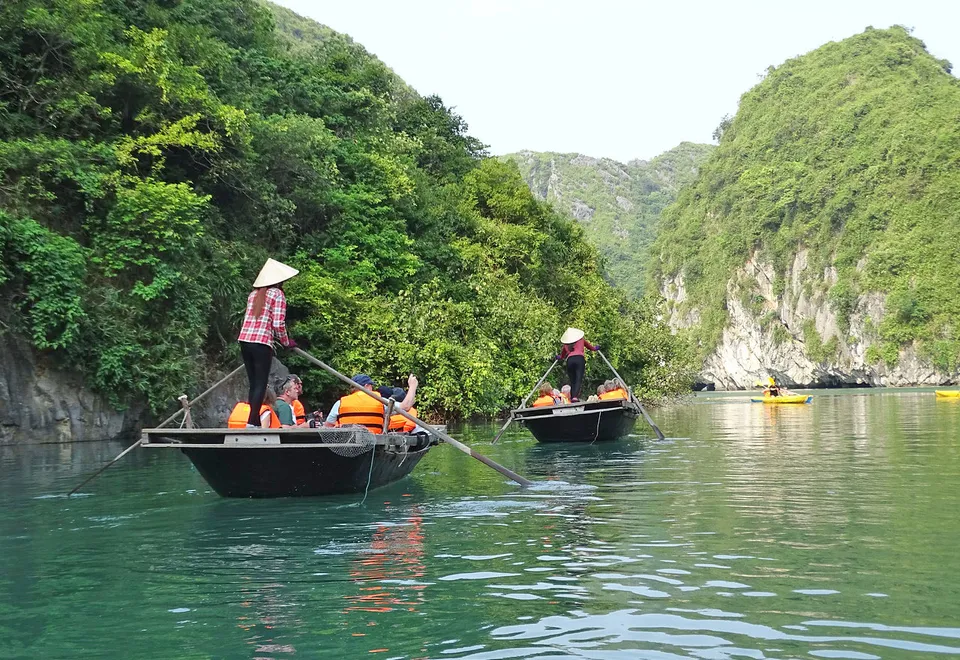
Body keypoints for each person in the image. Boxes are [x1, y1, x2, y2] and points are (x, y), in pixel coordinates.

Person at [238, 258, 298, 427]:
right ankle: (252, 423)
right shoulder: (277, 294)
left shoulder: (253, 294)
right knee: (261, 384)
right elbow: (278, 324)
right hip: (261, 342)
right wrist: (287, 342)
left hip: (245, 341)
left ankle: (253, 421)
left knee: (254, 383)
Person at [326, 373, 418, 432]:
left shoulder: (340, 403)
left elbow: (327, 426)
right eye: (371, 386)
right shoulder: (380, 401)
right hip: (373, 444)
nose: (372, 389)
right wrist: (413, 386)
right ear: (366, 386)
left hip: (347, 444)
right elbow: (406, 406)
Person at [554, 327, 599, 402]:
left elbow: (562, 356)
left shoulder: (566, 344)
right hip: (579, 359)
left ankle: (572, 397)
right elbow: (591, 347)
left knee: (572, 380)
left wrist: (558, 357)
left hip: (570, 360)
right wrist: (596, 348)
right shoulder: (581, 340)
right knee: (578, 379)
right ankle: (575, 397)